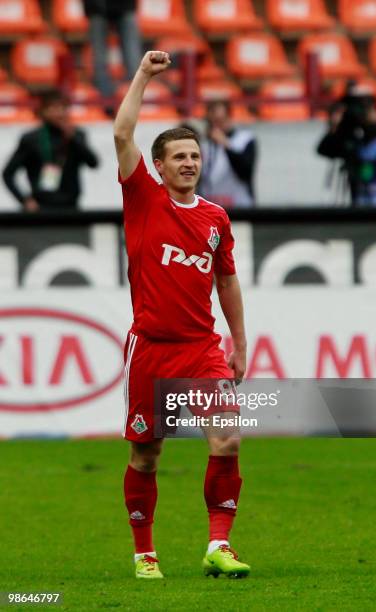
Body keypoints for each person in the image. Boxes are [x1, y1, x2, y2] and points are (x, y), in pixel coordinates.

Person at [114, 51, 250, 579]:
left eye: (195, 155)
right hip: (151, 348)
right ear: (161, 165)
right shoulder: (144, 199)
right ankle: (144, 552)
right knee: (146, 456)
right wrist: (145, 75)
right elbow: (124, 135)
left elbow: (227, 279)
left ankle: (219, 544)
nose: (189, 163)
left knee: (229, 438)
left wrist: (238, 341)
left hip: (201, 349)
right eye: (179, 157)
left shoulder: (216, 217)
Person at [2, 91, 99, 212]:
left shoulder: (77, 135)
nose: (58, 112)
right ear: (43, 111)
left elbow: (93, 163)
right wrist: (24, 200)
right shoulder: (31, 139)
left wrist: (73, 139)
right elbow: (8, 174)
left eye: (62, 108)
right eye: (53, 108)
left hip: (71, 207)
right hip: (41, 208)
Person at [317, 86, 376, 207]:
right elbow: (324, 149)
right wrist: (339, 127)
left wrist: (373, 123)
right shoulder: (352, 143)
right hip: (362, 214)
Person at [199, 100, 257, 209]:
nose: (217, 126)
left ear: (229, 118)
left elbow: (245, 171)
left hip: (239, 206)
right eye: (213, 122)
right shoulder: (204, 144)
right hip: (211, 207)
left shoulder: (244, 139)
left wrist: (226, 145)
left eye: (220, 120)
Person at [83, 0, 142, 98]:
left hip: (125, 6)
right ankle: (102, 93)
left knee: (132, 53)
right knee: (99, 55)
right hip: (96, 7)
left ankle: (136, 89)